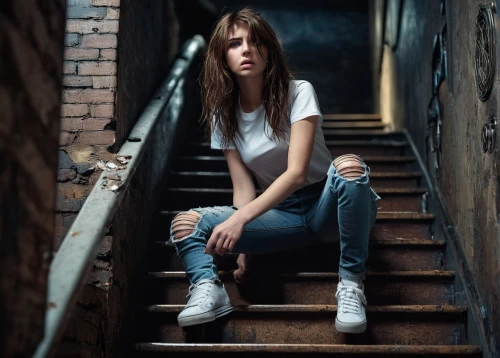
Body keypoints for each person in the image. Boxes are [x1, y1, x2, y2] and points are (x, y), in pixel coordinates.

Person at [169, 7, 379, 334]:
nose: (247, 49)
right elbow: (242, 186)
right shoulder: (223, 115)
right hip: (282, 218)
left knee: (349, 167)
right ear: (223, 56)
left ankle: (351, 284)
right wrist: (242, 250)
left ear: (269, 49)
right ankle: (208, 288)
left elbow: (296, 173)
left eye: (255, 41)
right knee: (185, 223)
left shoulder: (299, 92)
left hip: (330, 207)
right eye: (235, 43)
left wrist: (239, 220)